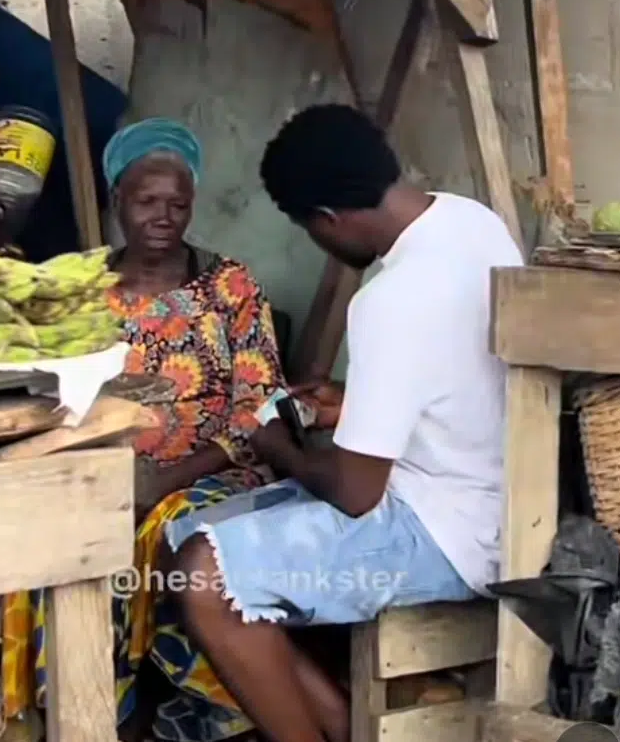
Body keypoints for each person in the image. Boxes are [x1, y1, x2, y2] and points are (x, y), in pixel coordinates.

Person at [152, 104, 524, 742]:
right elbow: (457, 383)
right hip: (495, 496)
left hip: (449, 533)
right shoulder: (472, 221)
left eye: (308, 229)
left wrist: (277, 444)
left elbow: (356, 494)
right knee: (188, 526)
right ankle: (342, 725)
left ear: (329, 219)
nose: (317, 241)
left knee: (202, 575)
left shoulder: (388, 300)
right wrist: (349, 402)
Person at [1, 118, 288, 742]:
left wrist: (163, 479)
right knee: (42, 542)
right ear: (116, 202)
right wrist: (103, 475)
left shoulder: (229, 287)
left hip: (211, 472)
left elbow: (259, 409)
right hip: (99, 473)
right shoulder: (75, 292)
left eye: (178, 204)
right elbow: (40, 400)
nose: (164, 216)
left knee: (168, 533)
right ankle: (89, 712)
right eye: (147, 201)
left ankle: (191, 714)